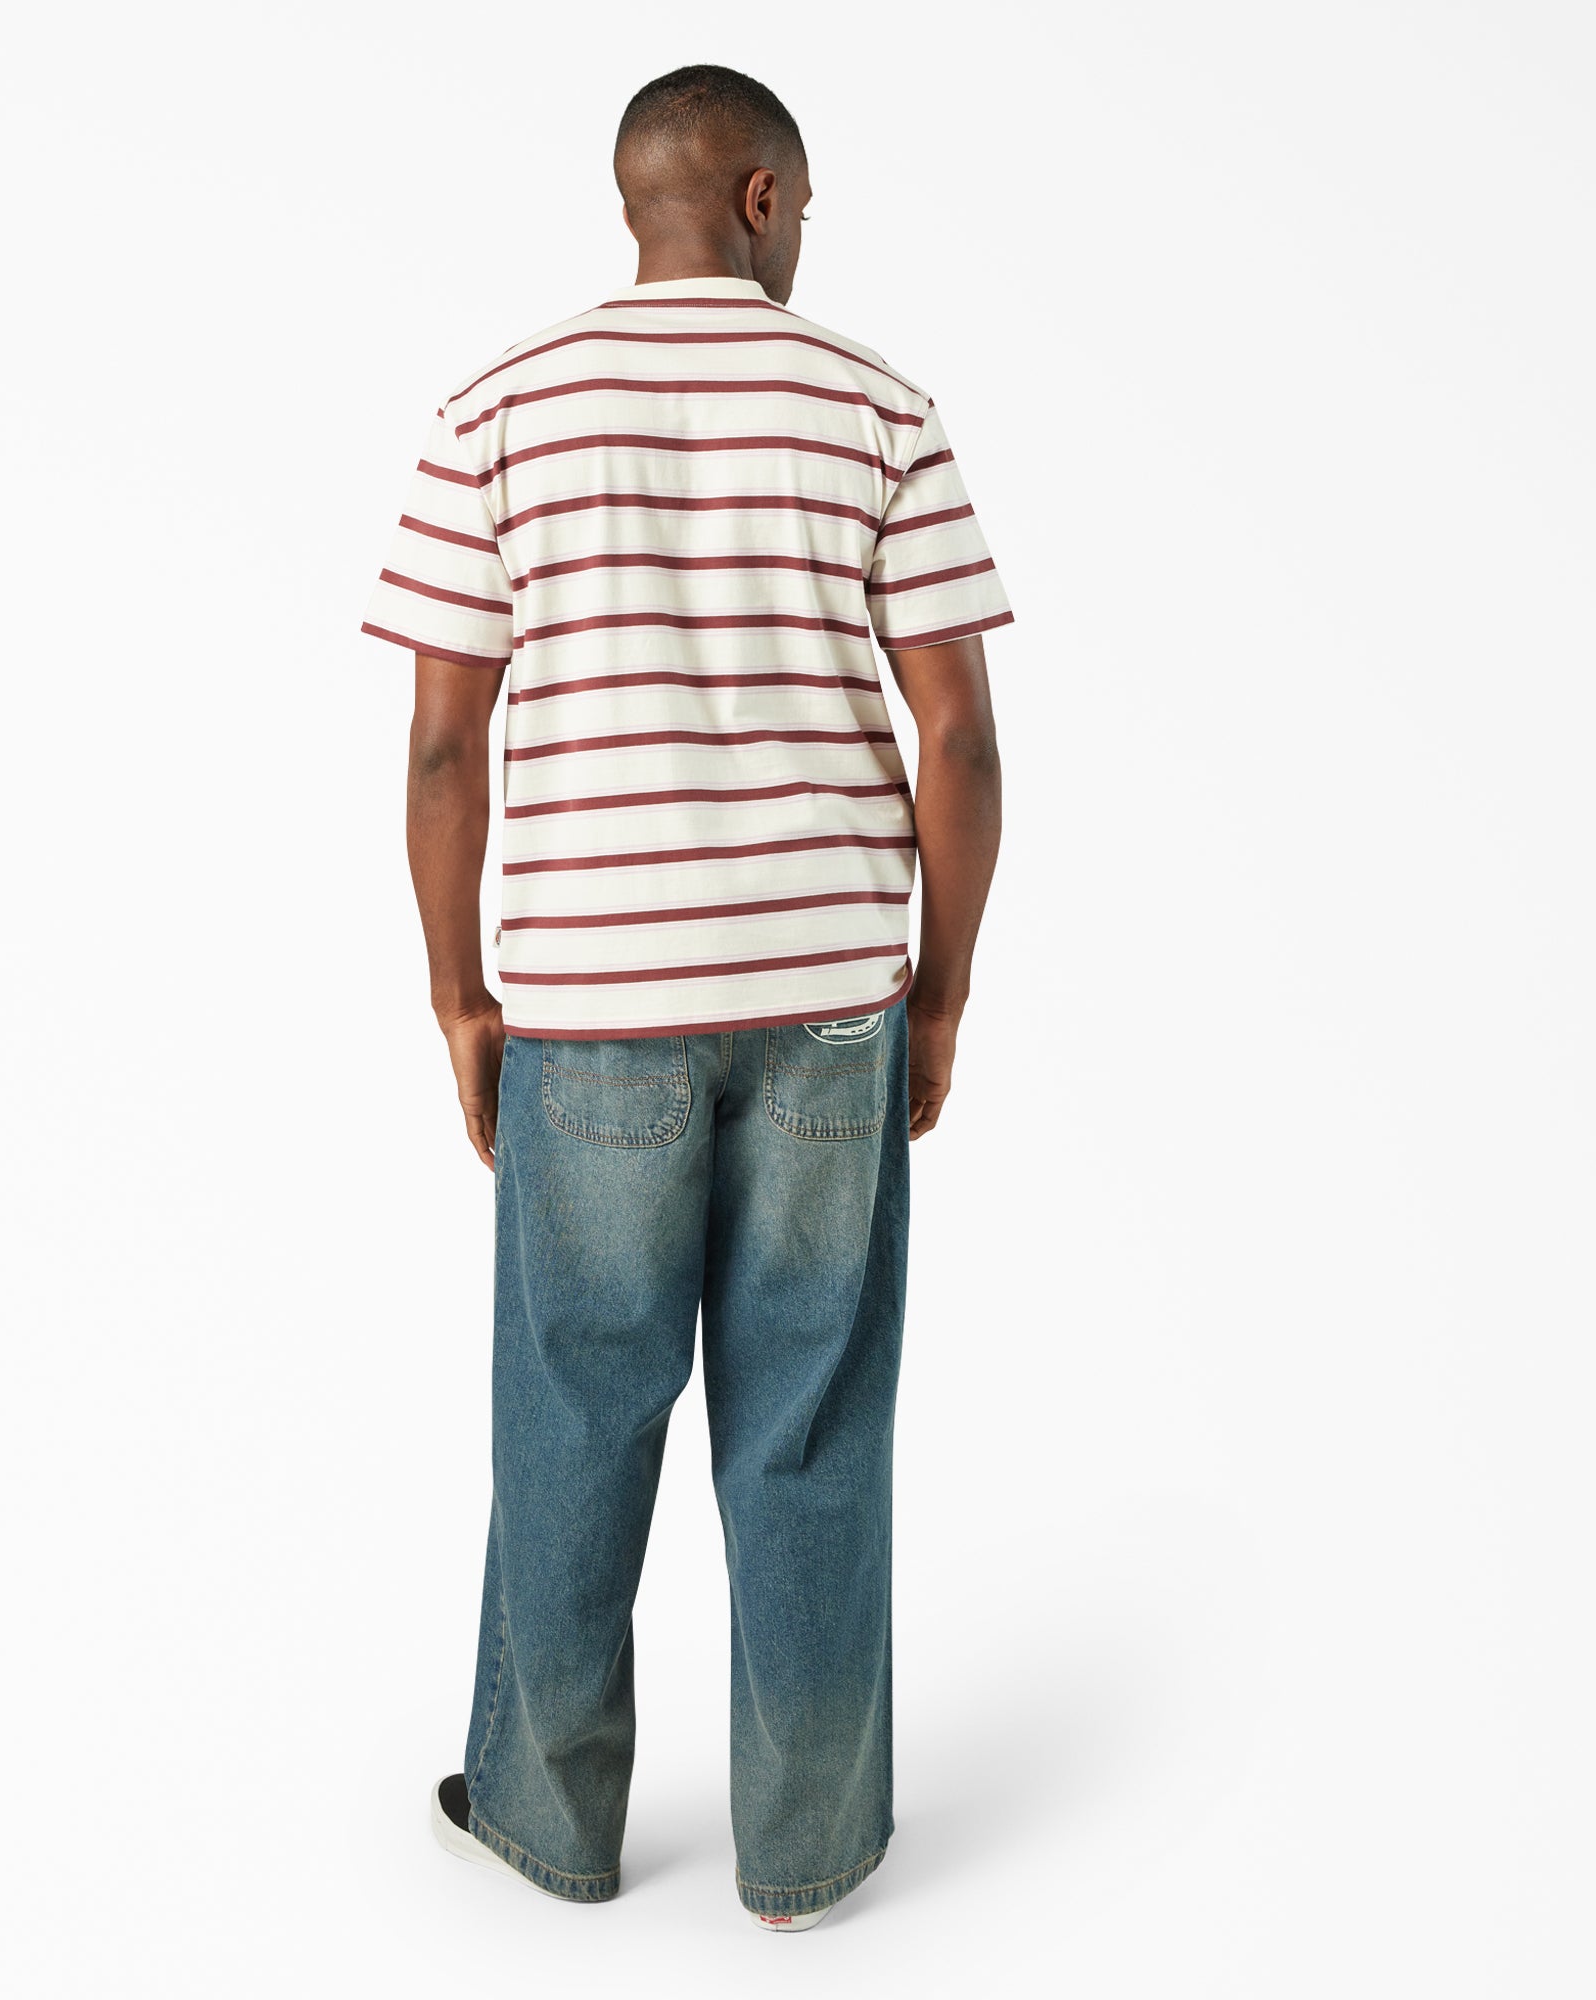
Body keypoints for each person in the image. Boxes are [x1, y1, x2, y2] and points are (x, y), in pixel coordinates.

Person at [359, 63, 1009, 1931]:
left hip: (593, 1002)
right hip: (827, 1003)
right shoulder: (877, 405)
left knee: (575, 1409)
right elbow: (960, 737)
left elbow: (442, 747)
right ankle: (807, 1855)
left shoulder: (500, 408)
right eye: (802, 209)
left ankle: (545, 1820)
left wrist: (461, 998)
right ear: (759, 198)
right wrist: (940, 991)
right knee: (809, 1422)